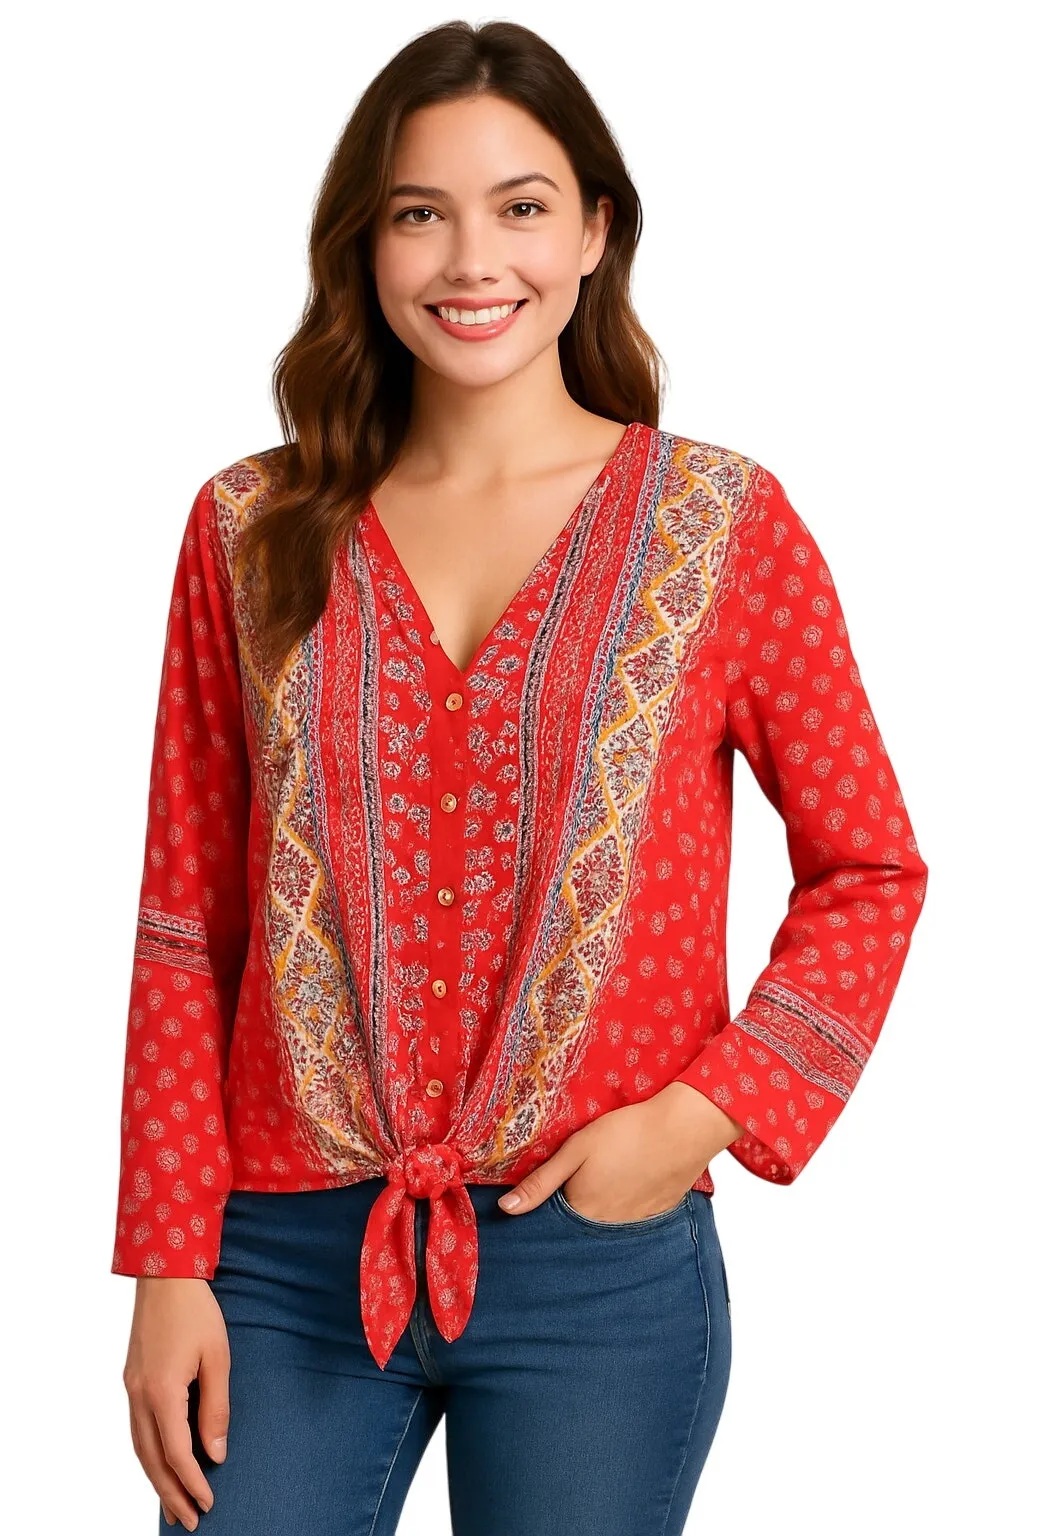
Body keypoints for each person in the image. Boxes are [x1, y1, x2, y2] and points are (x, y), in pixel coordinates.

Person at [112, 19, 929, 1536]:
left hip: (593, 1263)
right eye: (420, 213)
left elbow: (869, 868)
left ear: (596, 231)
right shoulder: (249, 528)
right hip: (278, 1257)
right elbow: (187, 916)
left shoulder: (721, 528)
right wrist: (166, 1261)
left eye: (522, 206)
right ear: (364, 246)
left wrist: (705, 1114)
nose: (471, 259)